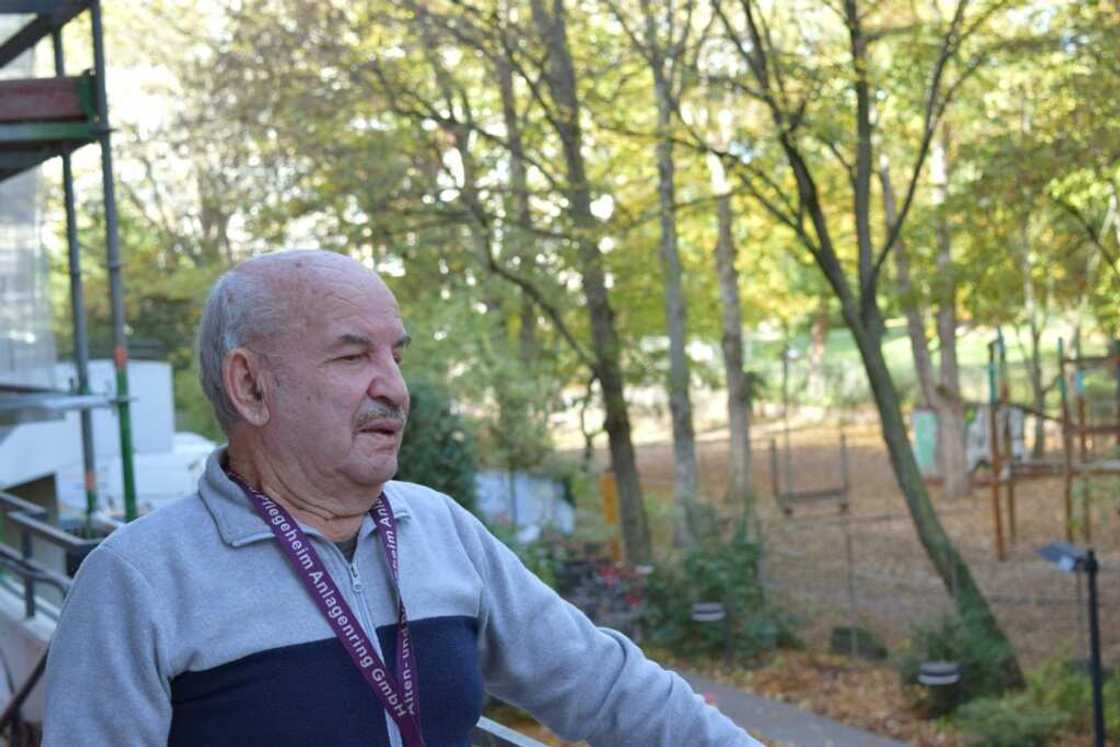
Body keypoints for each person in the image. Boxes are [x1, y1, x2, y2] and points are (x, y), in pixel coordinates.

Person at [42, 250, 762, 746]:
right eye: (354, 355)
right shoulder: (136, 581)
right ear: (250, 386)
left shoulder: (439, 527)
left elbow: (607, 685)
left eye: (398, 354)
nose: (394, 385)